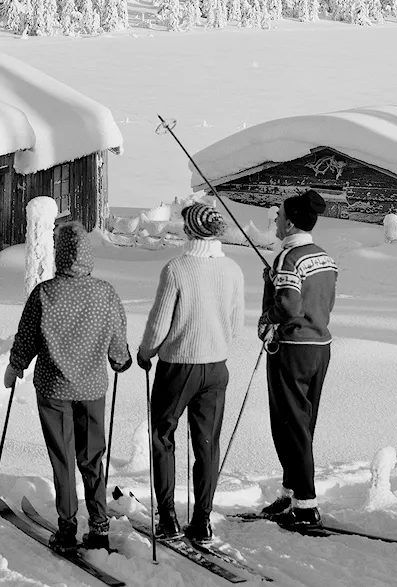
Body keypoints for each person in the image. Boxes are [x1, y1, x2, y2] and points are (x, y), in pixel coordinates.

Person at [4, 221, 132, 553]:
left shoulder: (45, 293)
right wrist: (120, 360)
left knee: (62, 458)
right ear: (88, 256)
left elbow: (27, 336)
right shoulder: (105, 293)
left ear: (59, 256)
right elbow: (118, 336)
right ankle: (100, 525)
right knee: (92, 458)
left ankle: (67, 526)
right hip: (92, 390)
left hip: (54, 390)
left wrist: (16, 365)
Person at [136, 202, 245, 546]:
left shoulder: (177, 269)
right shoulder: (233, 270)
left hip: (178, 367)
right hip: (216, 368)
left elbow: (159, 323)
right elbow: (235, 325)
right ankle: (202, 521)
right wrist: (216, 346)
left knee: (162, 437)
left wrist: (145, 352)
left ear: (191, 230)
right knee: (207, 444)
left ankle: (167, 517)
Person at [257, 190, 338, 526]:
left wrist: (269, 317)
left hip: (293, 348)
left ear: (290, 223)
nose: (275, 221)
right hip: (320, 347)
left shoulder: (288, 258)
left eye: (278, 217)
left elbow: (290, 306)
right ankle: (291, 492)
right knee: (303, 424)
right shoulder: (324, 257)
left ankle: (305, 504)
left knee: (290, 425)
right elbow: (324, 301)